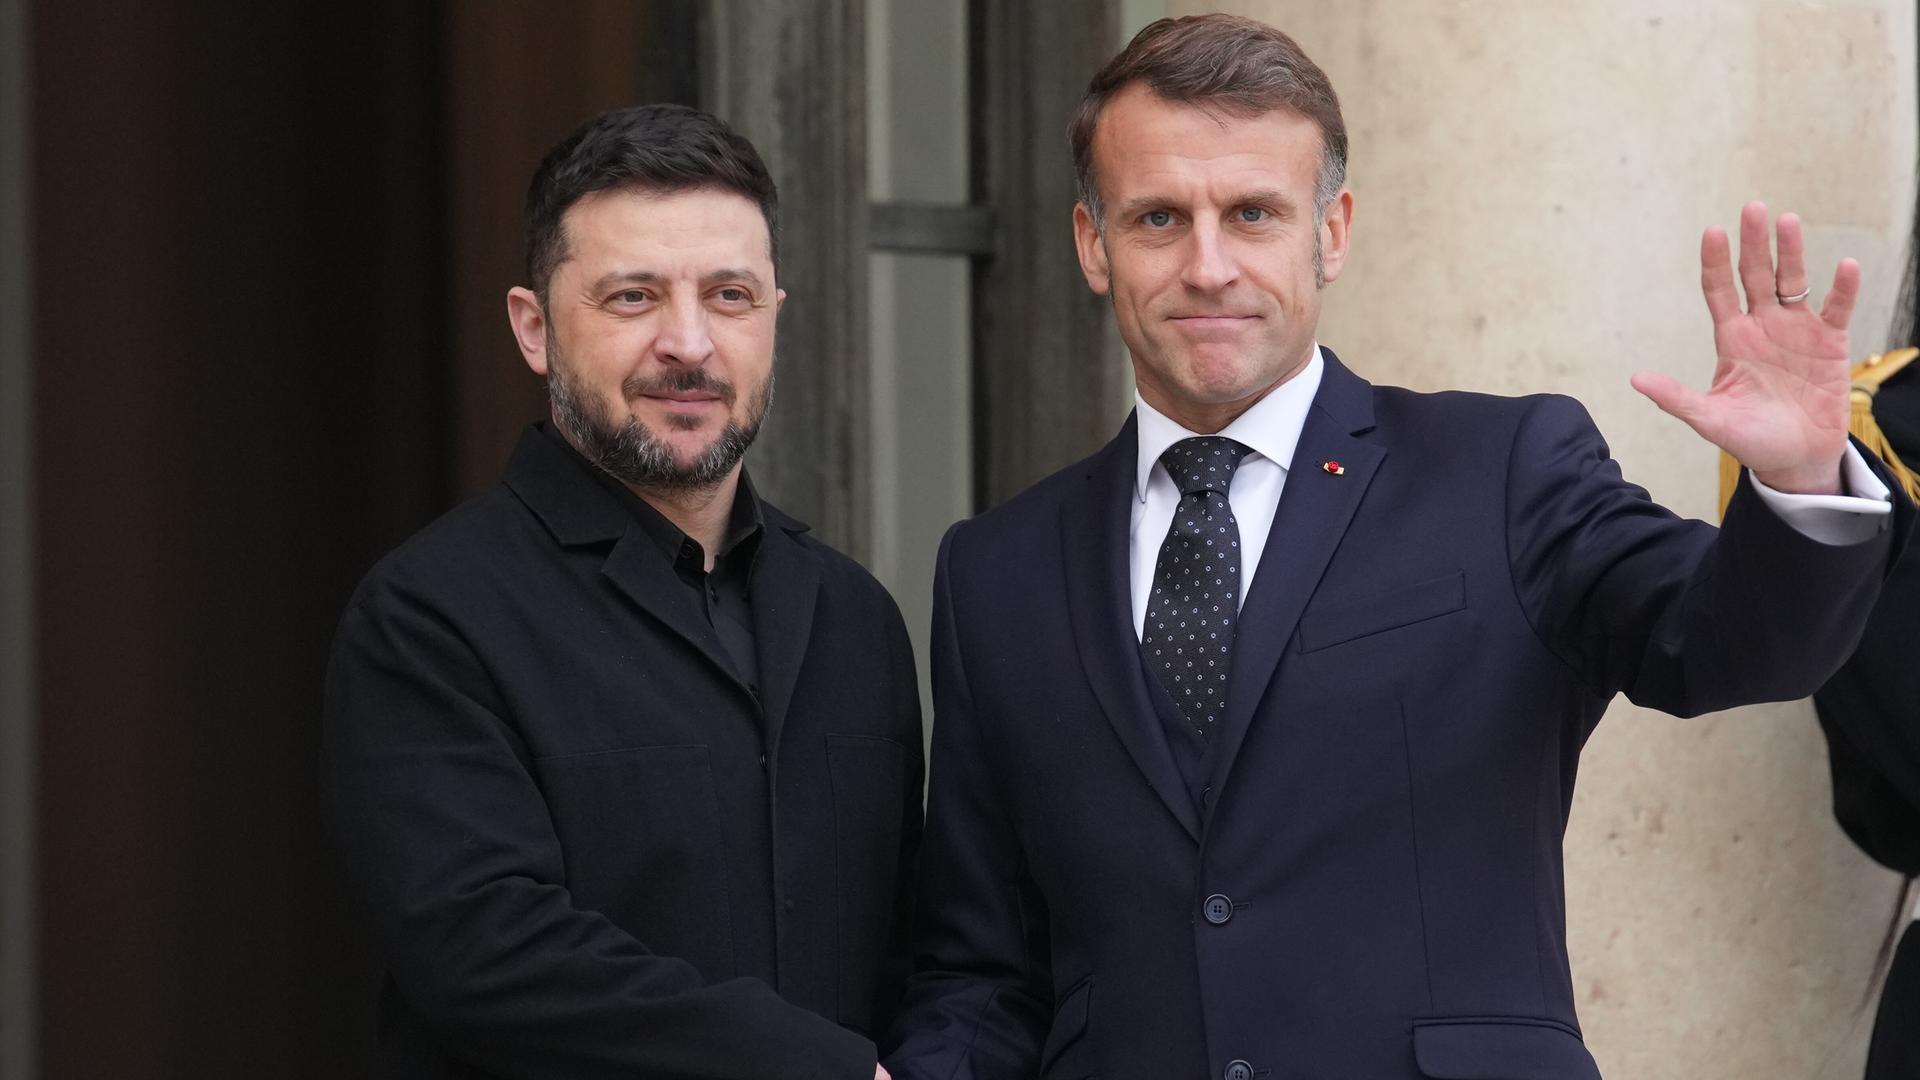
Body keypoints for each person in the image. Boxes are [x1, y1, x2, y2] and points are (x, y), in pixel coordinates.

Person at [884, 15, 1912, 1080]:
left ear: (1331, 231)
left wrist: (1795, 483)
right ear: (1095, 245)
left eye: (1252, 214)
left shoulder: (1503, 470)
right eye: (1157, 217)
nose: (1208, 264)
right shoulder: (995, 572)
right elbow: (981, 971)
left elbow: (1725, 642)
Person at [323, 104, 917, 1080]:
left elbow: (909, 953)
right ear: (534, 328)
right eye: (634, 297)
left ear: (774, 316)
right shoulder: (429, 620)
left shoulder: (856, 619)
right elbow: (491, 960)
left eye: (729, 296)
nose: (689, 344)